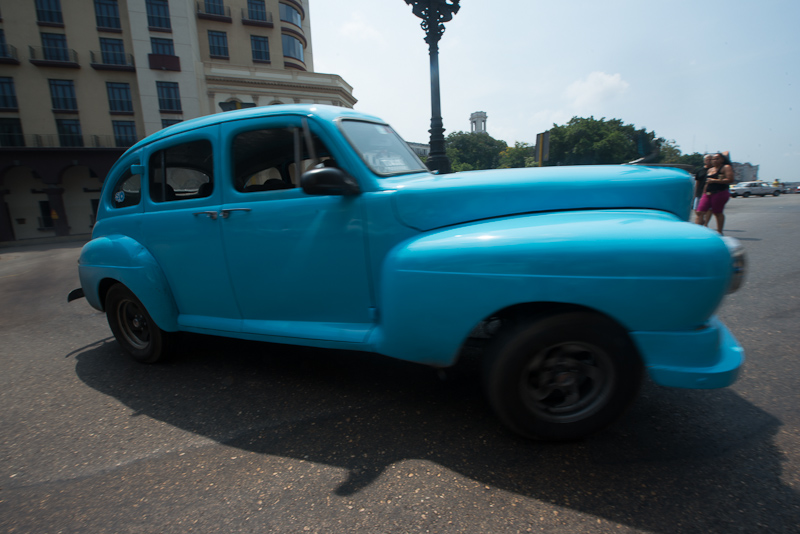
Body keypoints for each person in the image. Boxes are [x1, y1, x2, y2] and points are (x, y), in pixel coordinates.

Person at [696, 152, 734, 233]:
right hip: (708, 193)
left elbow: (730, 179)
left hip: (720, 193)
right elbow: (707, 183)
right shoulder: (710, 170)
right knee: (699, 211)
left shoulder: (726, 167)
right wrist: (703, 194)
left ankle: (719, 231)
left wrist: (715, 180)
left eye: (717, 158)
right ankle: (698, 231)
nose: (715, 160)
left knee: (717, 212)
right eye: (713, 159)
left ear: (722, 159)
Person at [694, 154, 713, 225]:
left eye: (711, 159)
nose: (709, 161)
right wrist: (695, 192)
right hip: (699, 192)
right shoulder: (699, 170)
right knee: (697, 210)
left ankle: (705, 224)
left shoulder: (714, 170)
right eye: (707, 159)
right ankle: (701, 220)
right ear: (704, 161)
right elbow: (697, 182)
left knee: (708, 209)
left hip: (709, 193)